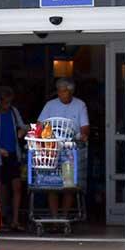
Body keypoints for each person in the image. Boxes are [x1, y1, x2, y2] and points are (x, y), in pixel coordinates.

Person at [37, 78, 90, 219]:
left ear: (71, 91)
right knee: (51, 185)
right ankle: (55, 218)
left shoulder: (80, 105)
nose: (61, 94)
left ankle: (64, 216)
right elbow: (40, 124)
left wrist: (81, 135)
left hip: (71, 150)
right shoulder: (50, 105)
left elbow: (85, 128)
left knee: (69, 185)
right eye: (59, 91)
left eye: (64, 91)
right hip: (52, 151)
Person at [0, 86, 27, 231]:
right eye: (5, 102)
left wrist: (22, 131)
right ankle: (0, 220)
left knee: (17, 187)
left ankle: (15, 220)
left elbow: (22, 127)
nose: (8, 105)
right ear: (0, 101)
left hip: (14, 154)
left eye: (9, 102)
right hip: (0, 156)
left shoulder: (14, 112)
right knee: (1, 189)